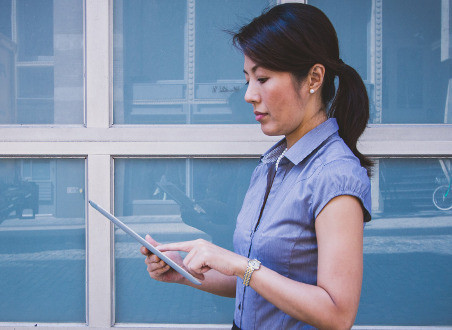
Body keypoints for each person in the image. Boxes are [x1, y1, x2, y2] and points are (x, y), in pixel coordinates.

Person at [141, 3, 372, 329]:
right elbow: (255, 283)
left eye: (263, 78)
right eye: (248, 78)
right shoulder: (272, 163)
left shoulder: (335, 174)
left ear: (314, 78)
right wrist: (182, 271)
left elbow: (337, 314)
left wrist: (239, 264)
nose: (249, 94)